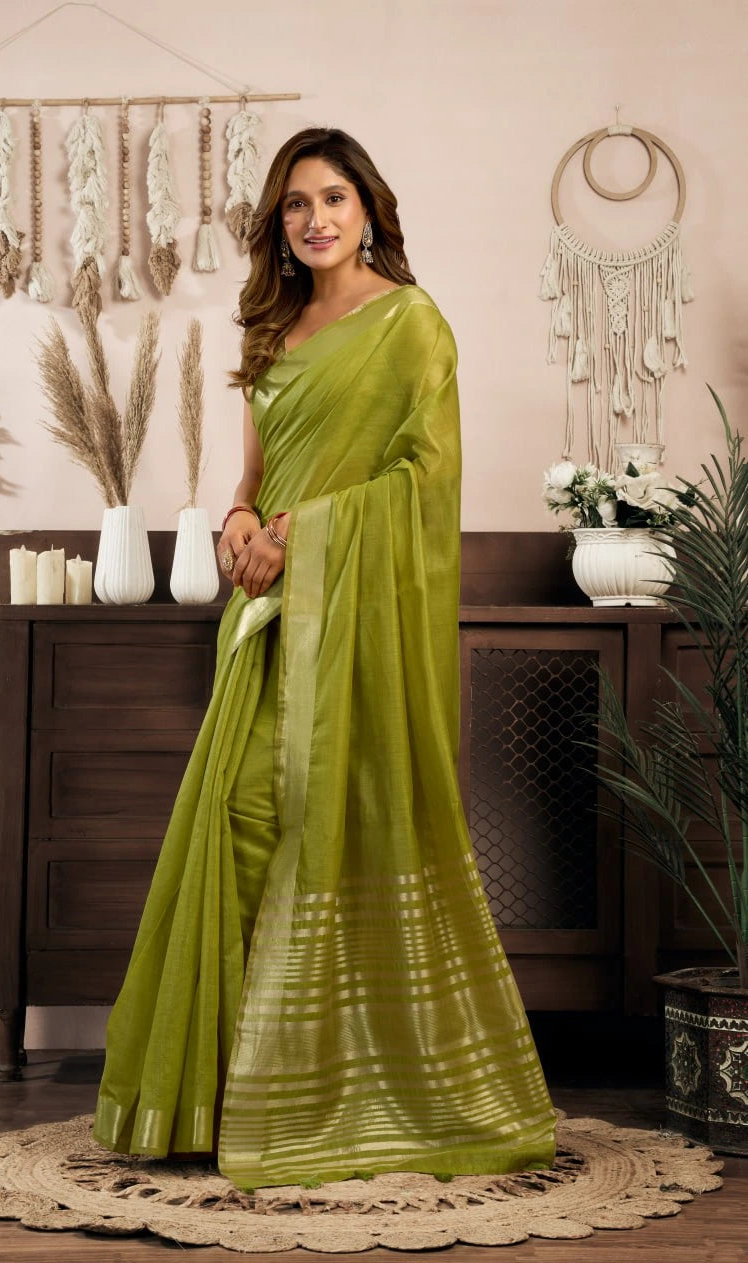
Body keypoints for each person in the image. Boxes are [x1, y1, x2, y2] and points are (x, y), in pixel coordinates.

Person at [92, 126, 557, 1189]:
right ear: (277, 222)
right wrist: (240, 520)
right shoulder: (271, 329)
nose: (314, 219)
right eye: (295, 203)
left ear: (369, 210)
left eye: (333, 198)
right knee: (239, 820)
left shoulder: (407, 322)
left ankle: (332, 1083)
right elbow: (254, 473)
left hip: (346, 610)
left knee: (311, 815)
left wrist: (303, 531)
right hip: (264, 612)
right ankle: (218, 1091)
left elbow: (422, 477)